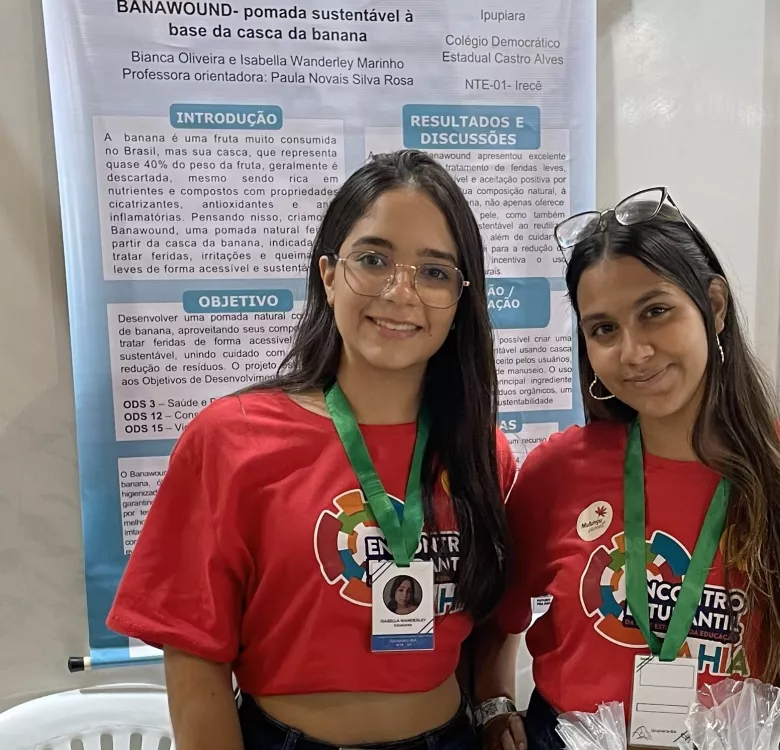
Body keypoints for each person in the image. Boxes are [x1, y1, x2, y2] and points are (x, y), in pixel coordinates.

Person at [107, 150, 518, 750]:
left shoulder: (480, 450)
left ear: (460, 298)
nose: (401, 292)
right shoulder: (232, 438)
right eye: (373, 260)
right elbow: (192, 652)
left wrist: (496, 707)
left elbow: (490, 618)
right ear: (328, 275)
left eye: (434, 272)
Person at [479, 188, 780, 750]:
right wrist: (493, 705)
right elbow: (494, 618)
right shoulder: (556, 472)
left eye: (655, 312)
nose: (634, 352)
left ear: (715, 306)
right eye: (603, 329)